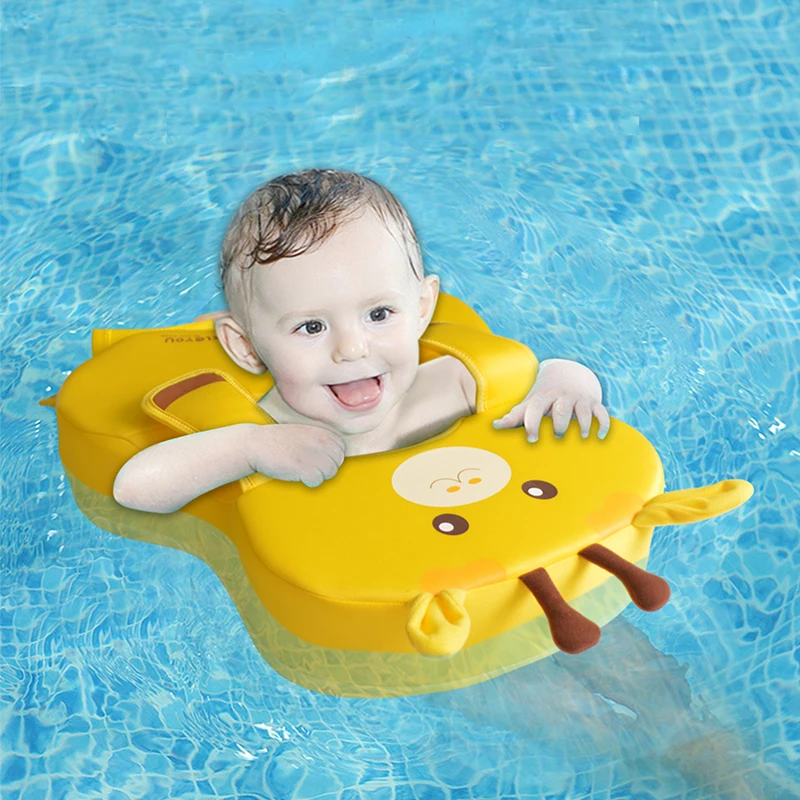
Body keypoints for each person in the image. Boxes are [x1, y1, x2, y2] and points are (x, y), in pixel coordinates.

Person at [113, 169, 610, 513]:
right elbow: (135, 487)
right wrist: (249, 448)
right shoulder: (266, 428)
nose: (351, 348)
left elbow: (549, 371)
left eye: (378, 313)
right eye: (311, 327)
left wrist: (569, 386)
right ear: (245, 346)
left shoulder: (451, 388)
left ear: (421, 308)